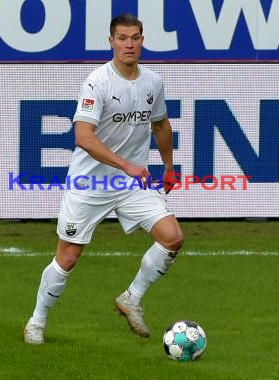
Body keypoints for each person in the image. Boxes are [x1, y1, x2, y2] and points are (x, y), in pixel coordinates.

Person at [23, 12, 183, 344]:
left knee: (172, 237)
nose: (129, 44)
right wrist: (126, 165)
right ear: (111, 41)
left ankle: (132, 297)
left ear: (143, 40)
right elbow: (84, 137)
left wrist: (169, 167)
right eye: (122, 38)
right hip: (91, 182)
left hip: (131, 182)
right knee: (68, 256)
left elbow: (161, 126)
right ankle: (37, 321)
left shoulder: (153, 82)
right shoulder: (98, 82)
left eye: (135, 37)